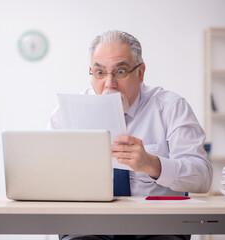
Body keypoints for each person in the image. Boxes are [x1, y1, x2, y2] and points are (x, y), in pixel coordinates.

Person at [48, 30, 213, 240]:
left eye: (120, 71)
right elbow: (49, 177)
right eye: (100, 72)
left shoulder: (171, 107)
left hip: (158, 226)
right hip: (89, 224)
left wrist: (153, 165)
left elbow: (203, 177)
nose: (109, 83)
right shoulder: (66, 113)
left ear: (140, 72)